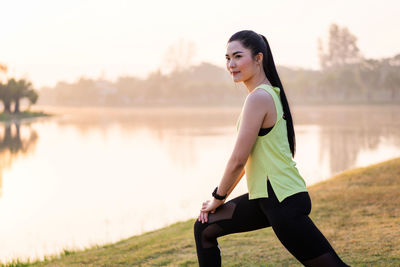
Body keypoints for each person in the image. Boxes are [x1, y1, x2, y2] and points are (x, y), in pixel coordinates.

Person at [193, 30, 349, 267]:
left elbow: (237, 159)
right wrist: (220, 198)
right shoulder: (264, 95)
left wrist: (217, 198)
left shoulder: (259, 98)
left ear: (258, 58)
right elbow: (245, 164)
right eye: (227, 58)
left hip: (283, 201)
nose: (231, 64)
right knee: (204, 228)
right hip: (265, 198)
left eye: (237, 56)